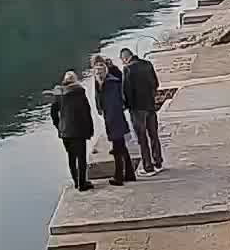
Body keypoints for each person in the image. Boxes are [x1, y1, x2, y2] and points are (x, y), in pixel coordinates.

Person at [91, 54, 138, 185]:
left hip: (114, 119)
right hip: (114, 118)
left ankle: (119, 177)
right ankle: (129, 174)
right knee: (121, 147)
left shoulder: (110, 84)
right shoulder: (107, 82)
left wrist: (109, 120)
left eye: (98, 73)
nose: (97, 76)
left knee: (118, 149)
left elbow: (112, 105)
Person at [119, 46, 163, 174]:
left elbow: (126, 91)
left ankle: (148, 166)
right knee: (154, 135)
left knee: (142, 138)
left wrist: (126, 106)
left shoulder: (127, 69)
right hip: (150, 105)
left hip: (137, 109)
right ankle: (158, 161)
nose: (122, 62)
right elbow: (156, 84)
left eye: (122, 60)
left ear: (125, 58)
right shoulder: (147, 64)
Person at [49, 71, 95, 191]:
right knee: (81, 157)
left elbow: (53, 112)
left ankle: (76, 182)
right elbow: (86, 112)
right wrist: (90, 129)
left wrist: (58, 125)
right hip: (79, 130)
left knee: (71, 157)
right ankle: (82, 183)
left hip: (65, 131)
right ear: (75, 80)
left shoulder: (59, 94)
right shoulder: (80, 92)